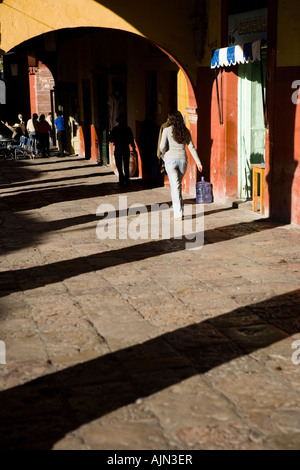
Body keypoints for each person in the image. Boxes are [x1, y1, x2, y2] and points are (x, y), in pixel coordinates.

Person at [159, 110, 203, 220]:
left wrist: (164, 156)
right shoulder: (185, 131)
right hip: (183, 161)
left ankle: (178, 214)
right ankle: (179, 209)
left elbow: (162, 147)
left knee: (175, 187)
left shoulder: (167, 130)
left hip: (170, 161)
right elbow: (192, 147)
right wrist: (198, 162)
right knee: (177, 185)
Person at [109, 114, 137, 185]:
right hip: (125, 148)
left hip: (118, 148)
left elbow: (111, 139)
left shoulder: (115, 129)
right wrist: (133, 148)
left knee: (119, 164)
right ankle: (127, 179)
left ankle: (121, 179)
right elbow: (131, 139)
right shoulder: (128, 129)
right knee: (126, 164)